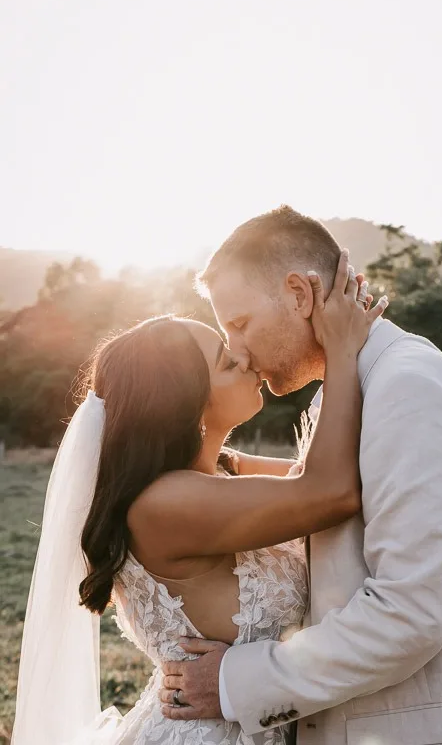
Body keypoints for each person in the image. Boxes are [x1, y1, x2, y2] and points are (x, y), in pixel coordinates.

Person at [161, 205, 442, 745]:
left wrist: (238, 682)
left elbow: (412, 611)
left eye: (240, 324)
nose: (236, 350)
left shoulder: (408, 388)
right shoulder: (347, 395)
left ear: (299, 294)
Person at [12, 250, 385, 744]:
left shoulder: (223, 470)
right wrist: (339, 351)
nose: (246, 358)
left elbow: (326, 474)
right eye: (228, 362)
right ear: (188, 402)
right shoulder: (164, 505)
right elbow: (331, 492)